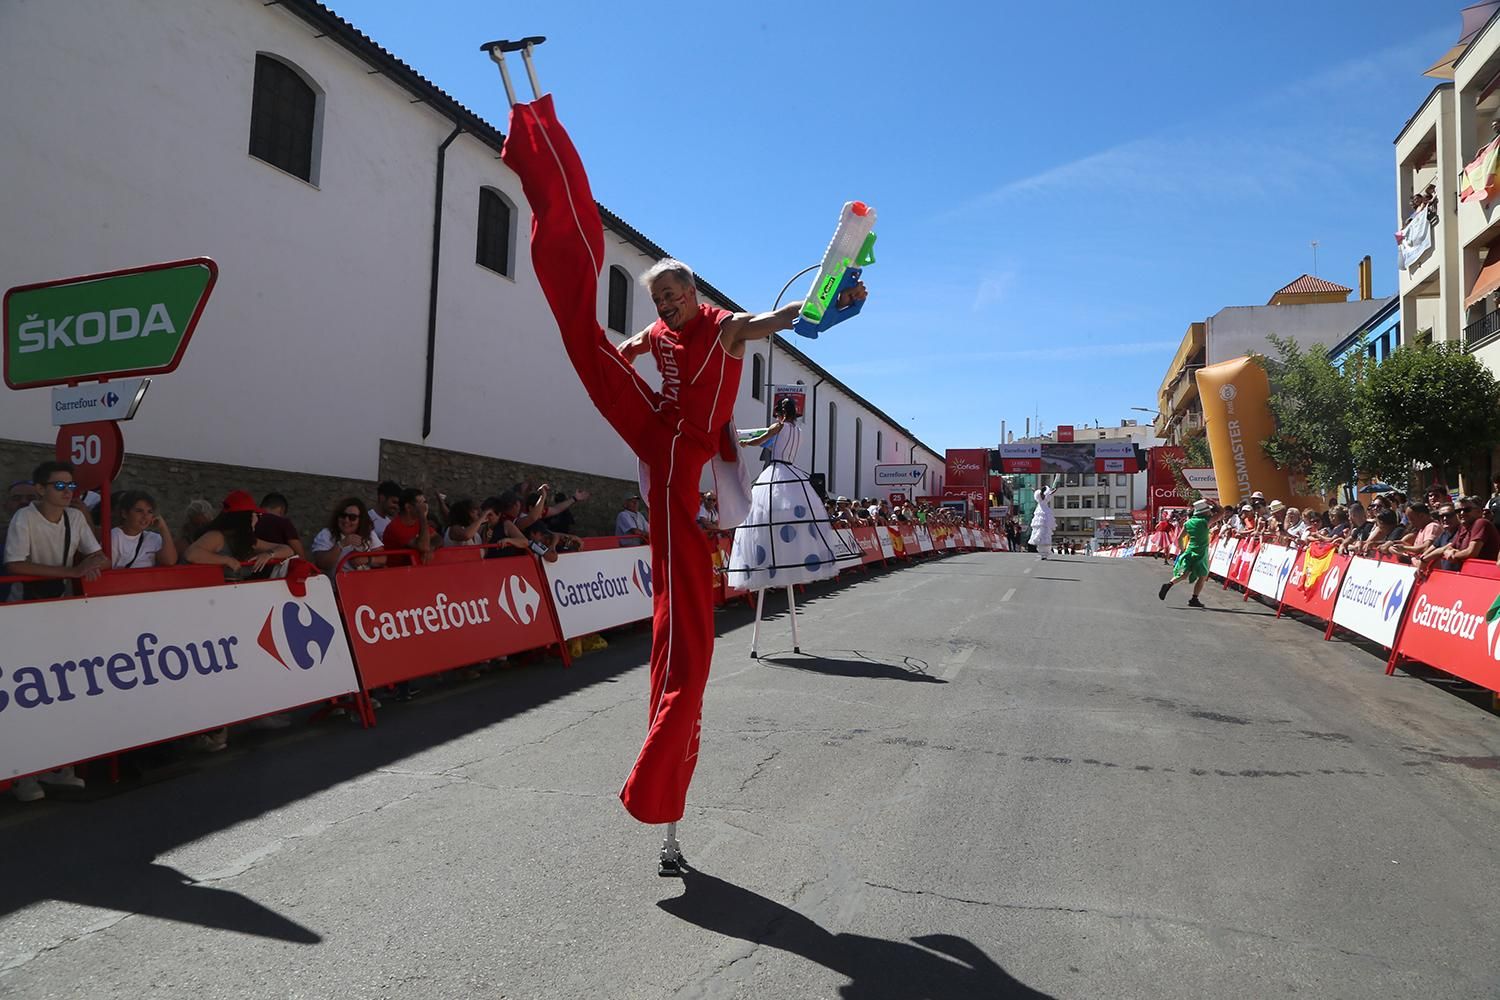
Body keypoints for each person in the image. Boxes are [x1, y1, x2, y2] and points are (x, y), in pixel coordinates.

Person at [501, 89, 868, 874]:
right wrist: (618, 355)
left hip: (689, 447)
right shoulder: (661, 331)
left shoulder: (725, 327)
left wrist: (821, 304)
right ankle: (545, 171)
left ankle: (693, 550)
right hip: (658, 433)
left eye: (675, 296)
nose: (667, 307)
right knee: (587, 343)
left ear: (697, 292)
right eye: (658, 299)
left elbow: (775, 324)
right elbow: (630, 348)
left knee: (682, 585)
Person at [3, 461, 107, 801]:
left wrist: (91, 565)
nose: (68, 492)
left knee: (56, 691)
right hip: (24, 612)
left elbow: (100, 556)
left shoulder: (75, 518)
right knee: (26, 693)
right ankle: (23, 776)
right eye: (59, 486)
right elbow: (15, 564)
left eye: (70, 486)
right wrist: (73, 570)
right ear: (40, 489)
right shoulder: (24, 518)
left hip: (59, 609)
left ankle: (53, 766)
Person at [728, 396, 840, 591]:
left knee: (762, 510)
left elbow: (760, 440)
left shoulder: (778, 426)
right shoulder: (798, 431)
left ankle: (766, 559)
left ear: (781, 413)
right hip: (792, 471)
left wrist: (745, 443)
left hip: (777, 469)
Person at [185, 491, 296, 578]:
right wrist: (226, 560)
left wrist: (269, 554)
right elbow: (192, 554)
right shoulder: (217, 536)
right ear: (244, 518)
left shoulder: (246, 539)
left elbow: (288, 550)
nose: (257, 518)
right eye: (255, 514)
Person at [1158, 499, 1214, 607]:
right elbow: (1221, 513)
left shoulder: (1188, 523)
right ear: (1204, 512)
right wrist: (1214, 504)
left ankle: (1169, 584)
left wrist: (1183, 549)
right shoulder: (1205, 522)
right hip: (1201, 551)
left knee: (1184, 574)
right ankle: (1194, 598)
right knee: (1203, 576)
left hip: (1189, 550)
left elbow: (1180, 538)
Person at [310, 497, 385, 575]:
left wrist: (366, 559)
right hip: (337, 584)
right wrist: (341, 544)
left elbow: (383, 558)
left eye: (352, 517)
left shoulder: (368, 533)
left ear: (361, 520)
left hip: (365, 582)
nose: (346, 520)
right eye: (343, 515)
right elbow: (322, 564)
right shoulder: (326, 534)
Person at [111, 490, 178, 568]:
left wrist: (163, 528)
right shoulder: (115, 536)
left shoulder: (153, 538)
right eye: (139, 511)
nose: (145, 516)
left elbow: (170, 561)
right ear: (124, 514)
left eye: (150, 512)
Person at [381, 487, 434, 561]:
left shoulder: (418, 522)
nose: (425, 506)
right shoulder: (396, 527)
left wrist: (431, 547)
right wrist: (423, 516)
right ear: (408, 507)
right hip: (397, 570)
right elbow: (424, 547)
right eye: (421, 503)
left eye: (425, 502)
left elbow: (438, 539)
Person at [255, 493, 305, 559]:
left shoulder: (248, 520)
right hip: (275, 566)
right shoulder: (283, 522)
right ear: (281, 510)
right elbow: (300, 554)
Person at [1028, 485, 1056, 559]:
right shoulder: (1042, 496)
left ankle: (1044, 553)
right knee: (1043, 531)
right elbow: (1050, 493)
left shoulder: (1041, 496)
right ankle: (1043, 553)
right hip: (1044, 511)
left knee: (1043, 531)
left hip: (1042, 511)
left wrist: (1031, 487)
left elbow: (1035, 491)